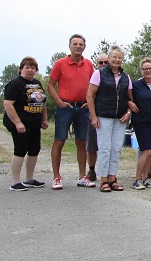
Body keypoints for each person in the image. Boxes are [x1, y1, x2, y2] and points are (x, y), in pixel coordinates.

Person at [87, 46, 137, 192]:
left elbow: (130, 98)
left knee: (116, 149)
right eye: (114, 57)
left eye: (119, 57)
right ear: (109, 58)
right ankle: (103, 179)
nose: (117, 60)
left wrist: (128, 113)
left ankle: (113, 178)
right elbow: (90, 95)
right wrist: (93, 116)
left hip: (120, 118)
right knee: (104, 148)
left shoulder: (126, 77)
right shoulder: (99, 74)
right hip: (103, 116)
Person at [48, 33, 95, 190]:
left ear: (84, 47)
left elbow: (94, 86)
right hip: (65, 107)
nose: (78, 47)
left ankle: (82, 177)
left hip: (82, 108)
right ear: (69, 46)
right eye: (75, 44)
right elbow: (50, 85)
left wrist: (90, 102)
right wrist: (58, 101)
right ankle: (56, 177)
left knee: (81, 142)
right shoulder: (60, 63)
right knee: (59, 140)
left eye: (81, 44)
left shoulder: (89, 64)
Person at [3, 57, 48, 191]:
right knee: (20, 150)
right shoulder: (15, 84)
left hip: (34, 123)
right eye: (27, 67)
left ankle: (29, 179)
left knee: (34, 149)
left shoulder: (37, 83)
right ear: (21, 69)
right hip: (20, 124)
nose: (30, 70)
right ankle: (15, 182)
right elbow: (8, 104)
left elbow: (42, 102)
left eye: (33, 68)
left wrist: (44, 119)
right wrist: (18, 122)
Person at [130, 58, 151, 190]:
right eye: (145, 69)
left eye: (150, 68)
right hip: (141, 122)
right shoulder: (135, 85)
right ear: (141, 71)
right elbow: (125, 97)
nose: (148, 71)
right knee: (147, 151)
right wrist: (129, 103)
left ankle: (145, 179)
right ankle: (137, 179)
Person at [85, 51, 108, 184]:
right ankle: (92, 170)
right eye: (101, 62)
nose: (103, 64)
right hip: (95, 114)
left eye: (106, 62)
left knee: (107, 146)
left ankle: (107, 172)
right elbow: (89, 94)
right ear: (97, 64)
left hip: (109, 115)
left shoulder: (114, 77)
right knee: (92, 144)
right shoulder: (95, 76)